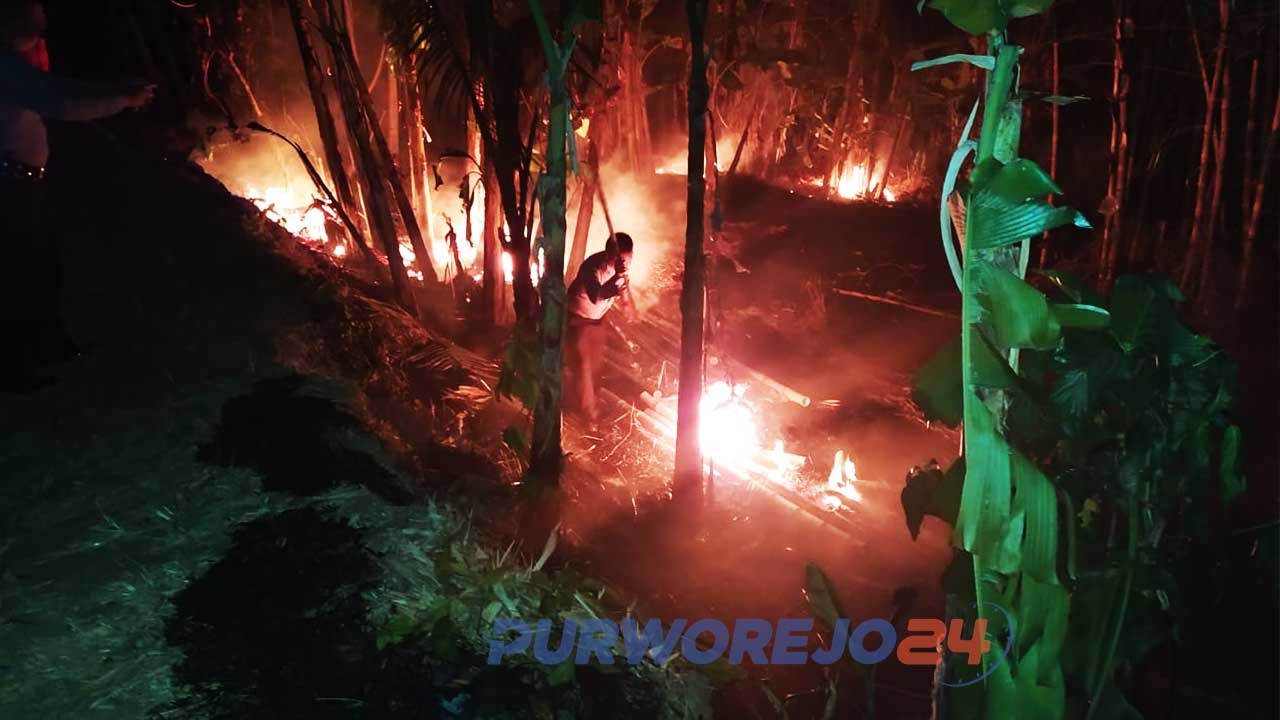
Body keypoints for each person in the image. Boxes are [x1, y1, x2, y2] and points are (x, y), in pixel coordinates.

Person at [0, 0, 154, 391]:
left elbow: (57, 91)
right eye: (38, 11)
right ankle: (15, 367)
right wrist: (123, 98)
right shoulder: (5, 67)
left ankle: (49, 346)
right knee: (20, 271)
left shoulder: (16, 62)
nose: (45, 17)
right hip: (9, 184)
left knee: (40, 264)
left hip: (22, 181)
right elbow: (61, 100)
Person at [565, 232, 634, 424]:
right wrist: (617, 278)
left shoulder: (623, 267)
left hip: (597, 320)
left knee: (595, 365)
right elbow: (597, 295)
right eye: (622, 258)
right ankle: (589, 416)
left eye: (629, 258)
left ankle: (591, 401)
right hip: (577, 319)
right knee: (584, 367)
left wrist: (626, 304)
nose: (626, 263)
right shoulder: (592, 266)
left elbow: (622, 289)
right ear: (609, 253)